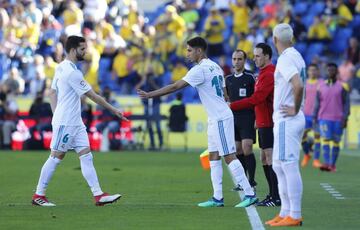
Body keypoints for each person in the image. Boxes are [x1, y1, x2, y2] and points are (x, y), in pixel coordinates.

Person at [137, 36, 257, 208]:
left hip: (221, 118)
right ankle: (217, 198)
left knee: (229, 156)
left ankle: (250, 193)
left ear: (199, 51)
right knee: (213, 156)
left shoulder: (199, 70)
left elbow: (175, 87)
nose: (187, 53)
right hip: (215, 117)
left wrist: (150, 94)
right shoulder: (215, 66)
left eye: (189, 50)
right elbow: (225, 93)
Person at [31, 36, 127, 207]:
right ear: (74, 50)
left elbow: (52, 93)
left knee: (86, 156)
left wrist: (55, 116)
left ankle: (98, 195)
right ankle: (39, 195)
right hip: (67, 122)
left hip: (74, 122)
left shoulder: (61, 67)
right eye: (83, 49)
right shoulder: (72, 73)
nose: (86, 52)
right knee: (56, 157)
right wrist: (114, 110)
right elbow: (91, 96)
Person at [230, 43, 280, 207]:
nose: (255, 58)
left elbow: (257, 99)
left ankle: (276, 196)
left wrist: (233, 105)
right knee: (265, 157)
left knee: (270, 157)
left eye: (258, 55)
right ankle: (272, 194)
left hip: (268, 121)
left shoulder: (268, 74)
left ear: (267, 56)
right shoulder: (262, 73)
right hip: (263, 121)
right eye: (254, 55)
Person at [265, 23, 305, 227]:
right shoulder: (296, 55)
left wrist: (295, 109)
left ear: (274, 40)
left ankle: (295, 214)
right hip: (287, 120)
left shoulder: (285, 59)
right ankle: (285, 212)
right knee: (279, 165)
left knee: (287, 165)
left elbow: (298, 84)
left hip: (287, 119)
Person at [225, 49, 257, 190]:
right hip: (234, 118)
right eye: (234, 59)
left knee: (247, 147)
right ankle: (242, 182)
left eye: (239, 59)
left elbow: (256, 99)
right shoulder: (228, 79)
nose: (236, 62)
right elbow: (226, 99)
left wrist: (256, 118)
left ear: (244, 61)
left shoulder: (250, 78)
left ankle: (252, 181)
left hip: (248, 117)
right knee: (237, 150)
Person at [313, 63, 350, 172]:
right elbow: (317, 103)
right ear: (326, 72)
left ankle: (332, 164)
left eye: (333, 70)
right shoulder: (321, 86)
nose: (331, 72)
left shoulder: (343, 86)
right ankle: (327, 163)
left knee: (336, 142)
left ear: (336, 72)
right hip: (324, 118)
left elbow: (346, 104)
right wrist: (315, 116)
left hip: (338, 118)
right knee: (325, 139)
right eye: (329, 70)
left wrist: (345, 118)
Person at [301, 64, 323, 168]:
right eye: (311, 70)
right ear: (308, 72)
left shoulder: (321, 83)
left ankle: (316, 160)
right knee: (302, 136)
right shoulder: (304, 83)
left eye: (314, 70)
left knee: (317, 137)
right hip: (305, 114)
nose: (312, 72)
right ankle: (307, 154)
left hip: (318, 115)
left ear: (317, 71)